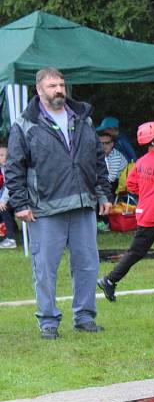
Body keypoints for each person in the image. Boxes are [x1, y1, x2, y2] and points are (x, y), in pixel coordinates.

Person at [5, 67, 111, 339]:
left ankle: (85, 317)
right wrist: (19, 204)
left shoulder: (83, 119)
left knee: (88, 265)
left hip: (84, 203)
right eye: (52, 86)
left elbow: (98, 160)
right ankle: (48, 322)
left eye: (62, 84)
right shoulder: (25, 124)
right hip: (44, 209)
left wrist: (103, 194)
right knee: (45, 269)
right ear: (39, 90)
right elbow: (15, 168)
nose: (59, 90)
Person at [97, 122, 154, 302]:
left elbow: (131, 184)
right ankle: (109, 280)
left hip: (152, 214)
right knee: (140, 252)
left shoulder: (141, 162)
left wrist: (147, 193)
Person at [0, 143, 16, 248]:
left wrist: (2, 200)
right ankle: (10, 228)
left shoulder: (11, 168)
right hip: (4, 197)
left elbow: (9, 186)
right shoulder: (1, 168)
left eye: (2, 155)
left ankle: (10, 239)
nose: (0, 157)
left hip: (15, 196)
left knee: (3, 208)